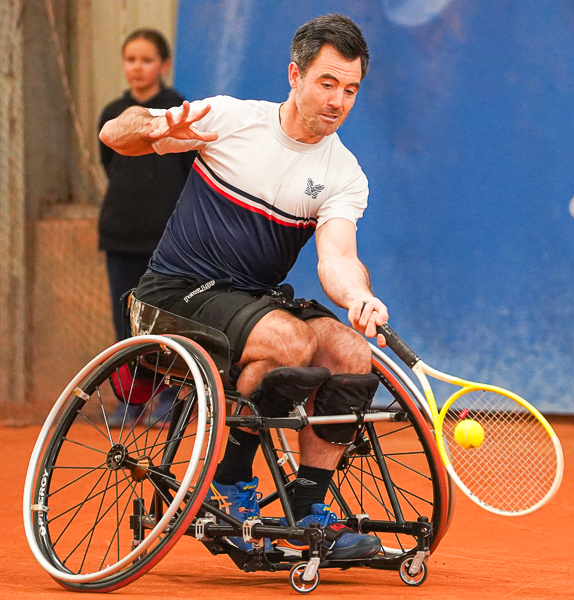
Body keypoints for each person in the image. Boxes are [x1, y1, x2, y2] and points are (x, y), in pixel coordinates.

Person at [99, 14, 387, 559]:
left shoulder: (344, 173)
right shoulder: (231, 120)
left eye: (350, 90)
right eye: (327, 83)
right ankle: (229, 486)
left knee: (351, 351)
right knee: (289, 343)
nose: (338, 101)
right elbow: (116, 133)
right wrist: (157, 129)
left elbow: (338, 258)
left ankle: (309, 509)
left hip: (250, 305)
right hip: (172, 294)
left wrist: (358, 298)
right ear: (294, 76)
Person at [98, 29, 193, 427]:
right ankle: (131, 401)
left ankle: (170, 398)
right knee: (127, 323)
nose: (138, 67)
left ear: (164, 66)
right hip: (121, 235)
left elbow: (190, 172)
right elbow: (108, 162)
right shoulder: (112, 113)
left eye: (147, 59)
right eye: (131, 59)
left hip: (169, 243)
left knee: (169, 321)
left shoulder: (178, 110)